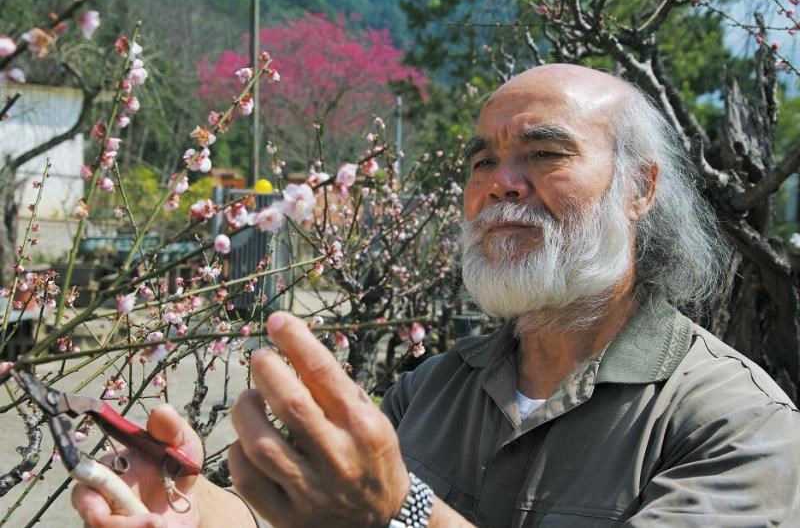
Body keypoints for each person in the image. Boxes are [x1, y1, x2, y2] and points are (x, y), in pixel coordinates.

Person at [72, 64, 800, 527]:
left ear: (640, 188)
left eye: (545, 153)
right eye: (483, 161)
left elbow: (380, 512)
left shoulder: (739, 425)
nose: (501, 183)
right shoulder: (432, 388)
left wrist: (402, 512)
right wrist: (189, 505)